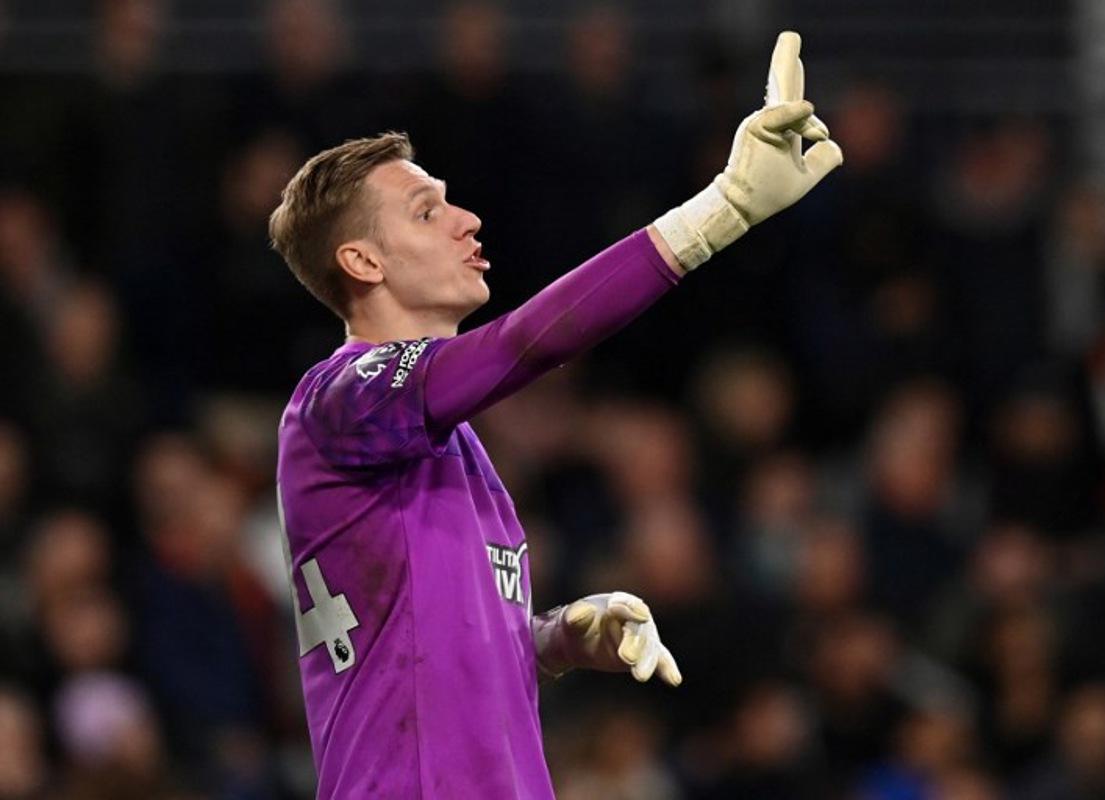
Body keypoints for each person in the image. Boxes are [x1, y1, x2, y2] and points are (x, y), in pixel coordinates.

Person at [269, 31, 842, 798]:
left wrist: (556, 637)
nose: (467, 219)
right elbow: (524, 346)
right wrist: (723, 209)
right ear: (364, 262)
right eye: (426, 211)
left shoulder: (451, 448)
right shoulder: (337, 401)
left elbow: (427, 648)